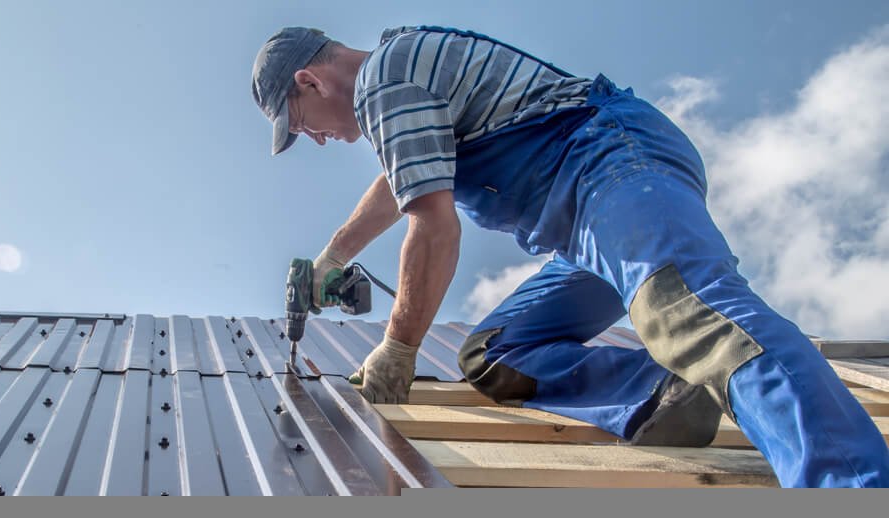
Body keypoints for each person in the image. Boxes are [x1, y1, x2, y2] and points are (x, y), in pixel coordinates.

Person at [251, 25, 889, 487]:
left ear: (310, 80)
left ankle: (848, 482)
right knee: (494, 352)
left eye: (301, 122)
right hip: (585, 233)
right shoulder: (401, 90)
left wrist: (399, 346)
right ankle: (661, 395)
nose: (316, 138)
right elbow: (401, 181)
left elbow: (434, 223)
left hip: (611, 164)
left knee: (688, 311)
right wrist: (333, 254)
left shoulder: (383, 80)